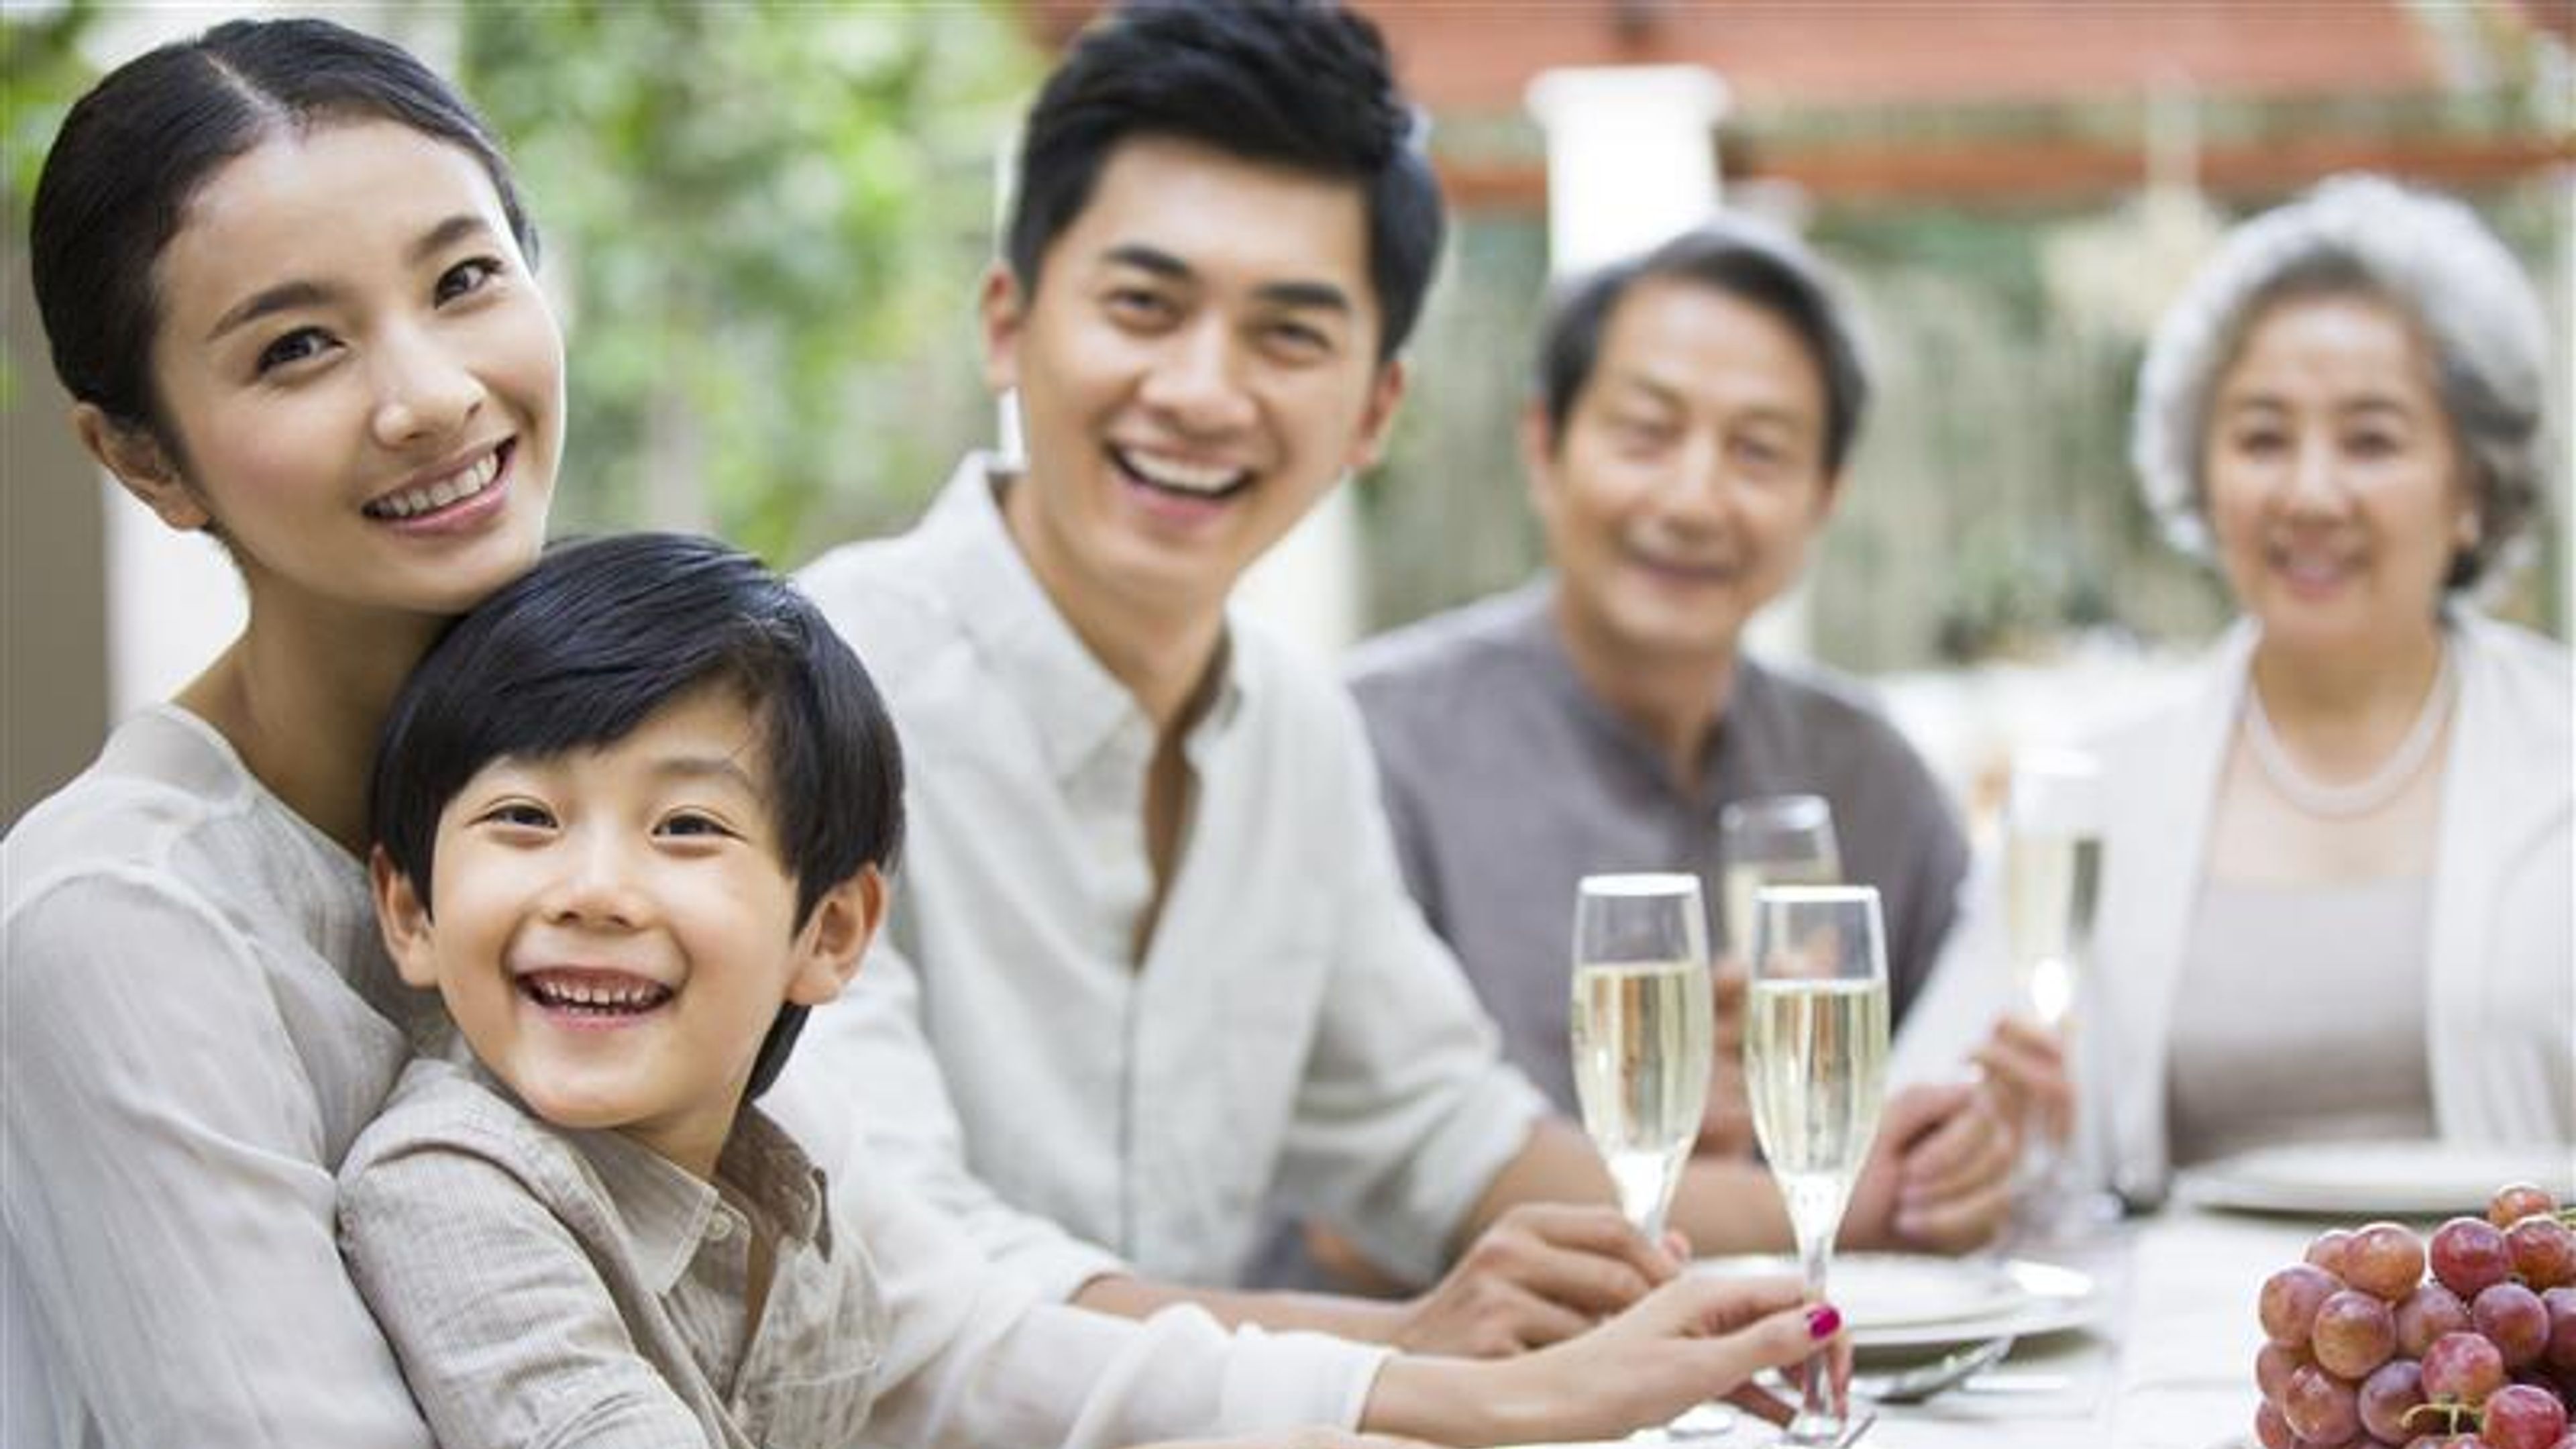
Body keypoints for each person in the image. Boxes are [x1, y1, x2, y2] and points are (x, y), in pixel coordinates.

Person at [0, 19, 1841, 1448]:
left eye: (466, 280)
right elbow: (917, 1317)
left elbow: (865, 1303)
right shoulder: (126, 931)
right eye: (294, 349)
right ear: (142, 454)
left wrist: (1769, 1226)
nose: (428, 393)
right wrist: (1405, 1382)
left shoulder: (632, 778)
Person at [781, 0, 1864, 1355]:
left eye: (1288, 335)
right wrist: (1392, 1351)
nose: (1201, 390)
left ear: (1372, 410)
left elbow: (1448, 1144)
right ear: (1008, 325)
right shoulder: (805, 697)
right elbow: (892, 1270)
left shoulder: (1296, 731)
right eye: (1143, 306)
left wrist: (1860, 1195)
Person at [338, 532, 1844, 1448]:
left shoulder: (785, 1165)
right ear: (407, 902)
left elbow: (1002, 1369)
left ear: (835, 933)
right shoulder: (456, 1184)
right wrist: (1487, 1406)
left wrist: (1479, 1400)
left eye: (686, 829)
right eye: (524, 822)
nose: (597, 887)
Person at [1344, 217, 2025, 1254]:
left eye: (1759, 451)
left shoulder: (1866, 769)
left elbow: (1957, 1089)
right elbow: (1345, 1216)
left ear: (1824, 498)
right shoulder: (1376, 747)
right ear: (1544, 448)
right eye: (1646, 433)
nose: (1695, 498)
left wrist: (1976, 1147)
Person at [2085, 173, 2571, 1201]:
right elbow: (1945, 1125)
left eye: (2372, 440)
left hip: (2528, 1351)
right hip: (2182, 1349)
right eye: (2262, 437)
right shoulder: (2097, 789)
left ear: (2472, 489)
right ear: (2199, 474)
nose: (2310, 493)